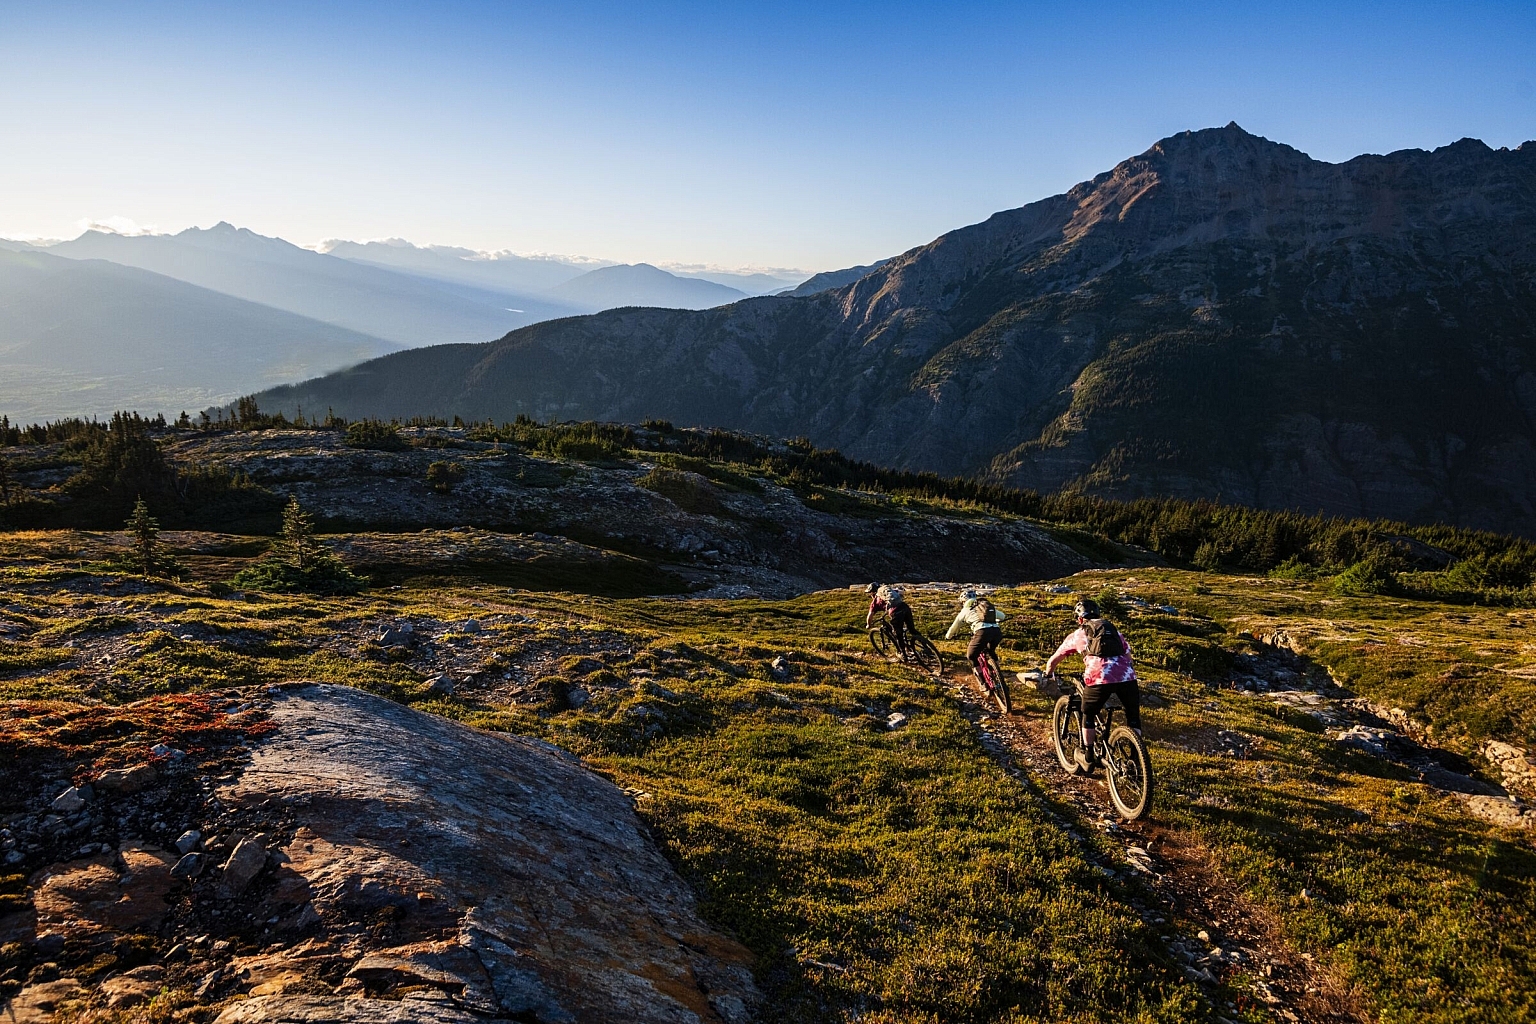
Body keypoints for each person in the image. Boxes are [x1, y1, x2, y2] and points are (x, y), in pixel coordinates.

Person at [1045, 597, 1141, 772]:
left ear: (1080, 619)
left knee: (1087, 713)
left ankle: (1088, 758)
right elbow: (1128, 657)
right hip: (1127, 678)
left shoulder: (1077, 635)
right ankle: (1136, 760)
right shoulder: (1113, 630)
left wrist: (1048, 674)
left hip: (1099, 677)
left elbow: (1054, 660)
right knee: (1133, 716)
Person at [944, 589, 1006, 680]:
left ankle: (982, 682)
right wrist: (994, 621)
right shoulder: (984, 606)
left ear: (964, 601)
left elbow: (955, 627)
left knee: (971, 656)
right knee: (990, 651)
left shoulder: (965, 610)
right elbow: (1002, 616)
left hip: (981, 632)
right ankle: (998, 676)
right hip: (996, 631)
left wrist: (948, 636)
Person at [865, 583, 916, 656]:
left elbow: (870, 615)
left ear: (873, 592)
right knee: (912, 629)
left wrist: (868, 625)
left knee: (898, 634)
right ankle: (926, 647)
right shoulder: (889, 591)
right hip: (904, 606)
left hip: (895, 611)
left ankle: (903, 654)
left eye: (870, 593)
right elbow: (900, 593)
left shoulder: (875, 601)